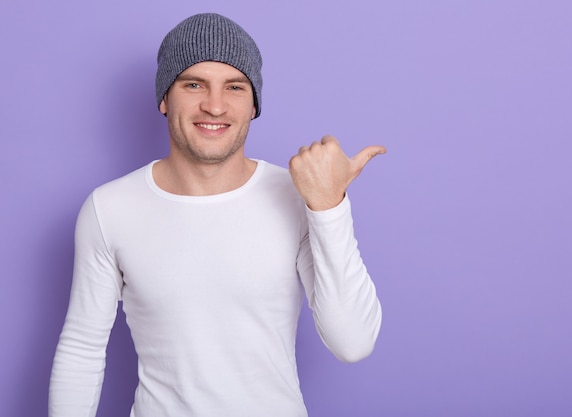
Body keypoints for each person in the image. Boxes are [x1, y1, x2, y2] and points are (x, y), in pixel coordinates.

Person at [49, 12, 384, 417]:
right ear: (164, 98)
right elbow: (82, 348)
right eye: (193, 84)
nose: (215, 105)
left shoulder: (300, 197)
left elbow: (353, 343)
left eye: (234, 87)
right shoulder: (109, 208)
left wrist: (329, 206)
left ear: (254, 104)